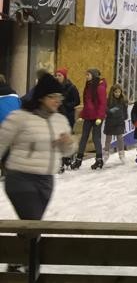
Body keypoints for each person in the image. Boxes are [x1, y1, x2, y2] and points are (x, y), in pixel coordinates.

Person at [0, 74, 75, 223]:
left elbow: (68, 151)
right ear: (41, 97)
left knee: (32, 228)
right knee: (33, 224)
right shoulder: (19, 117)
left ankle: (18, 245)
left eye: (59, 97)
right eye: (52, 96)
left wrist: (67, 143)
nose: (57, 101)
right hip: (21, 178)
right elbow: (1, 142)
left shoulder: (60, 120)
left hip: (46, 181)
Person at [102, 84, 128, 165]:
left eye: (119, 92)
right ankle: (106, 154)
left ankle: (121, 154)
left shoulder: (123, 101)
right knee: (108, 139)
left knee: (120, 138)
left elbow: (124, 111)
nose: (117, 94)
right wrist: (110, 111)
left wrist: (124, 117)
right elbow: (105, 110)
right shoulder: (108, 101)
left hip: (119, 122)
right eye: (116, 92)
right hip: (110, 122)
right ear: (112, 92)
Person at [53, 67, 80, 131]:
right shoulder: (55, 87)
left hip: (68, 114)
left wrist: (66, 105)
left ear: (64, 77)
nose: (57, 77)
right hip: (57, 114)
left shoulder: (71, 87)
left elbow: (77, 101)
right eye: (56, 75)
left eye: (59, 75)